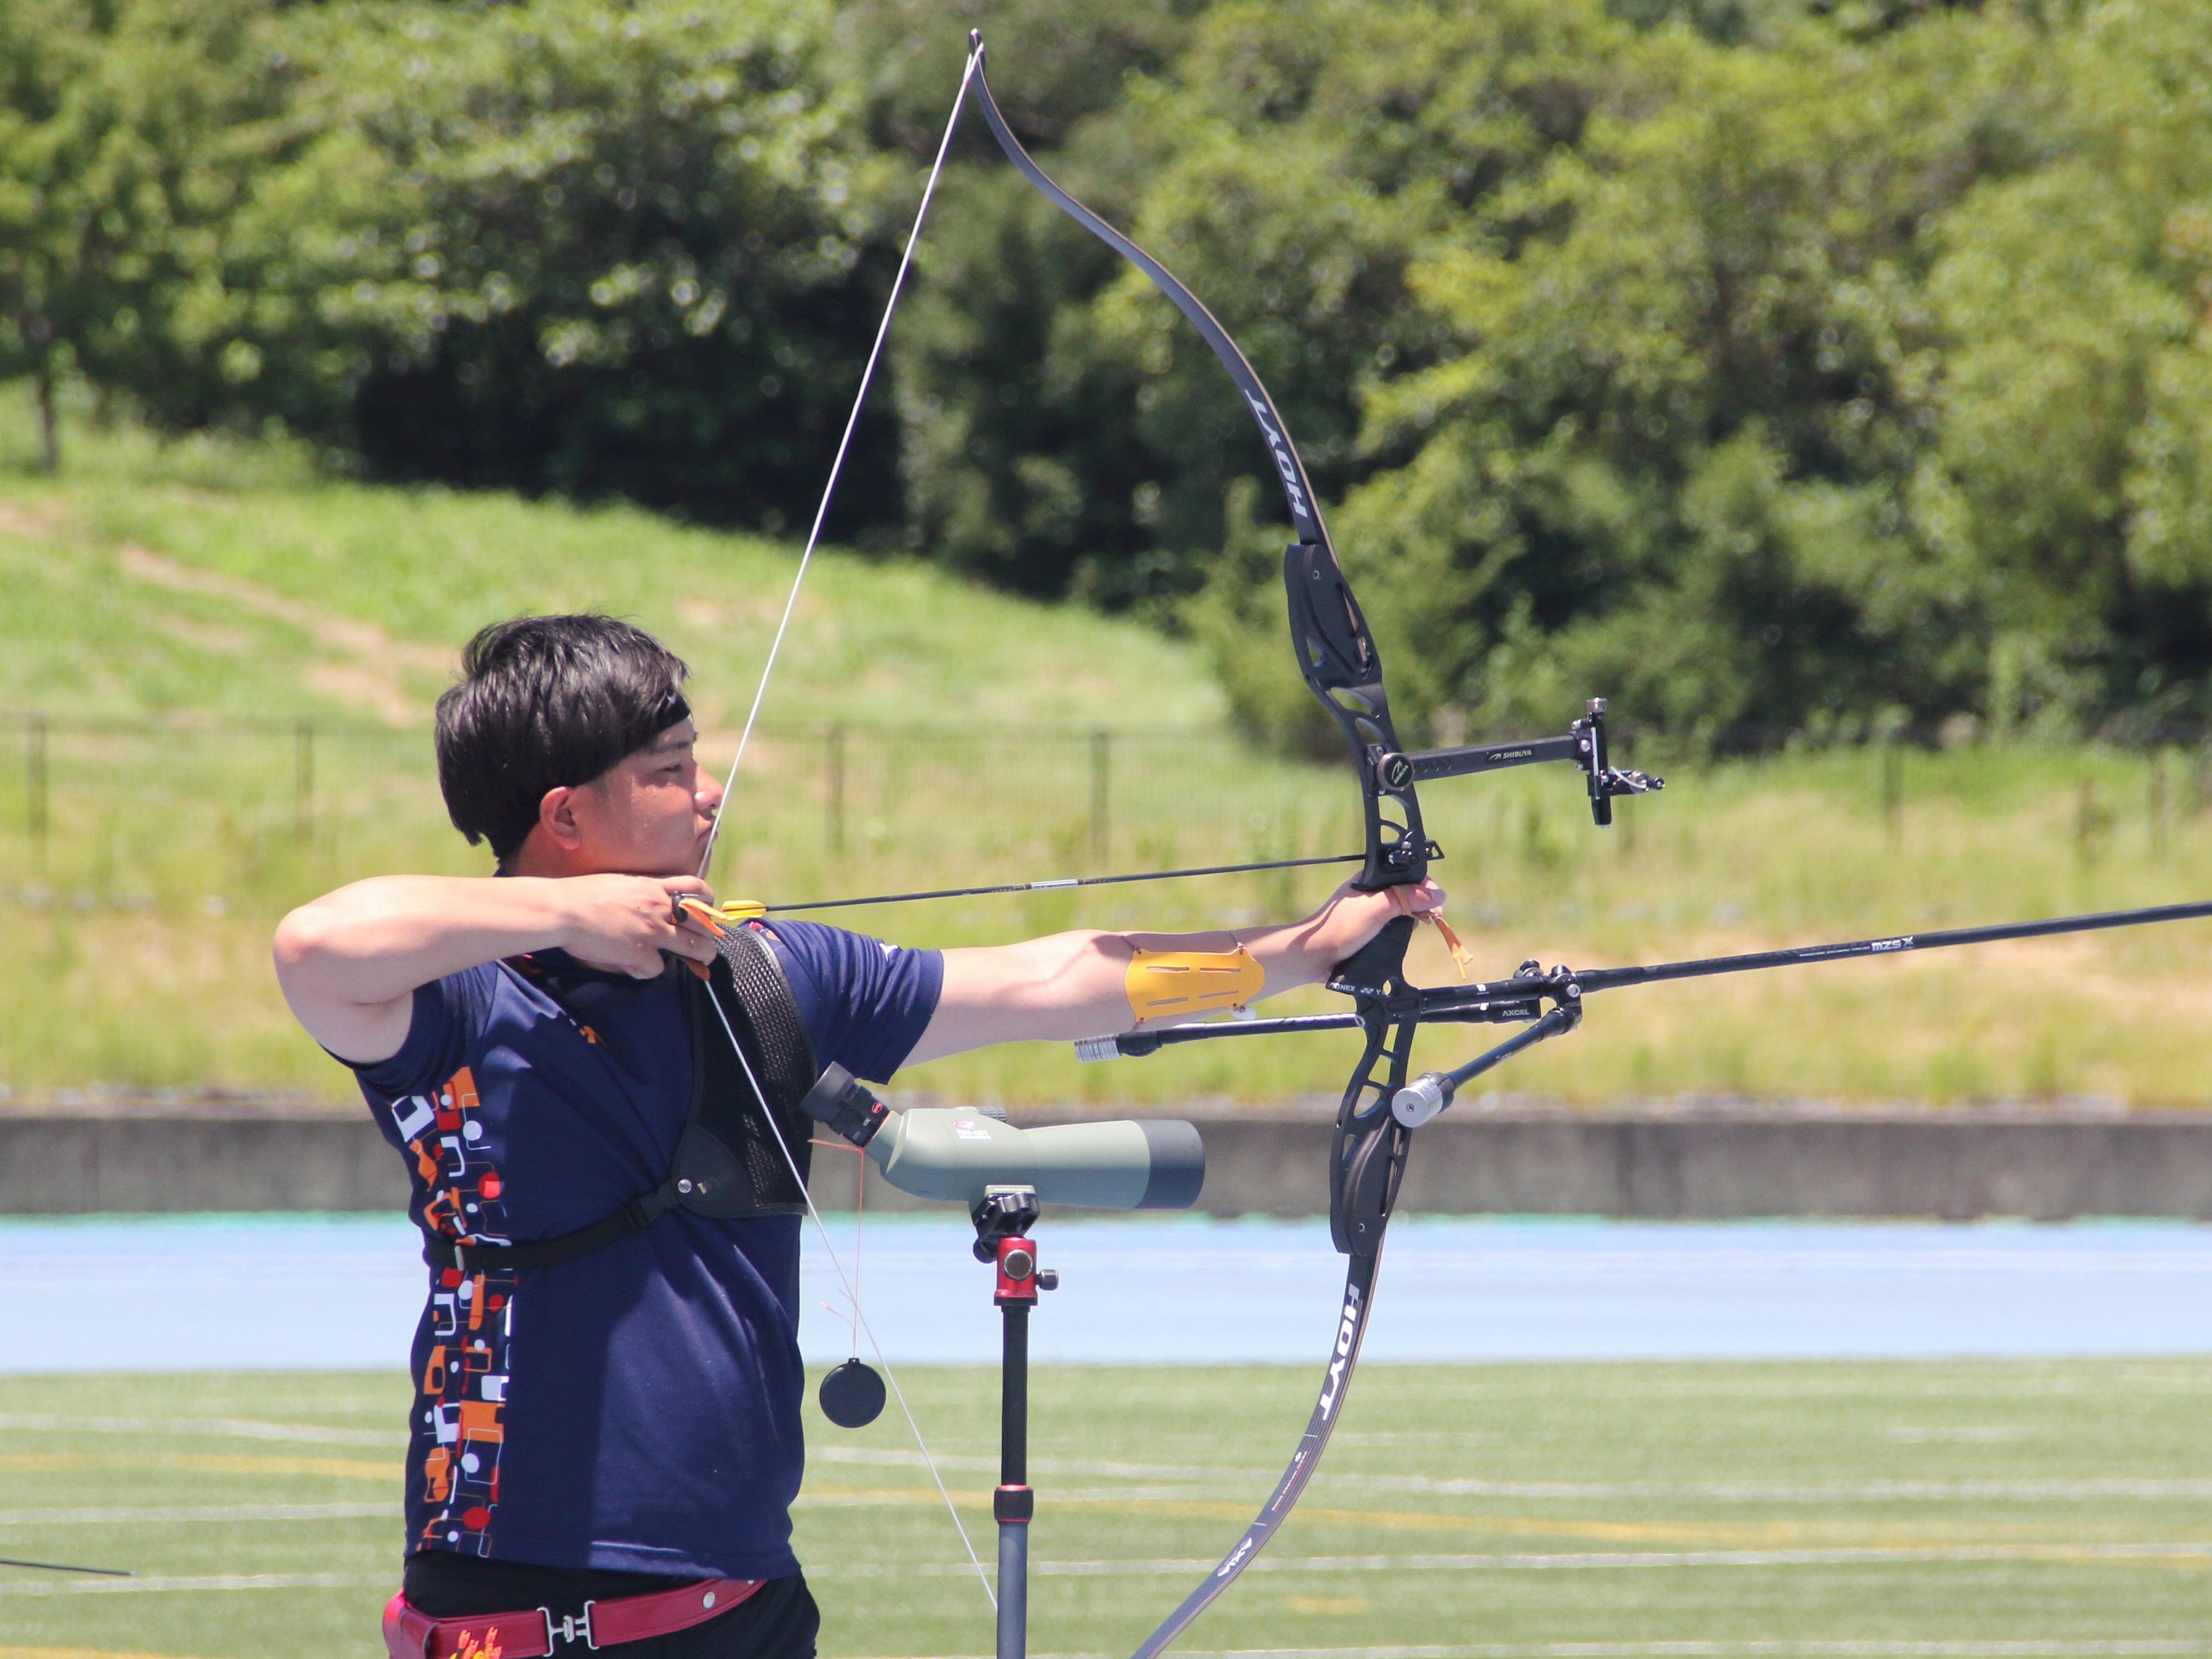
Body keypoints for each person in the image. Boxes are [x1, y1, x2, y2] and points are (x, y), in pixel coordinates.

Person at [273, 613, 1442, 1658]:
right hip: (513, 1612)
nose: (711, 792)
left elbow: (1049, 982)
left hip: (743, 1606)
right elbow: (315, 946)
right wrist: (577, 915)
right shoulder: (461, 1005)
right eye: (672, 772)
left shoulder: (769, 972)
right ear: (566, 817)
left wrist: (1298, 950)